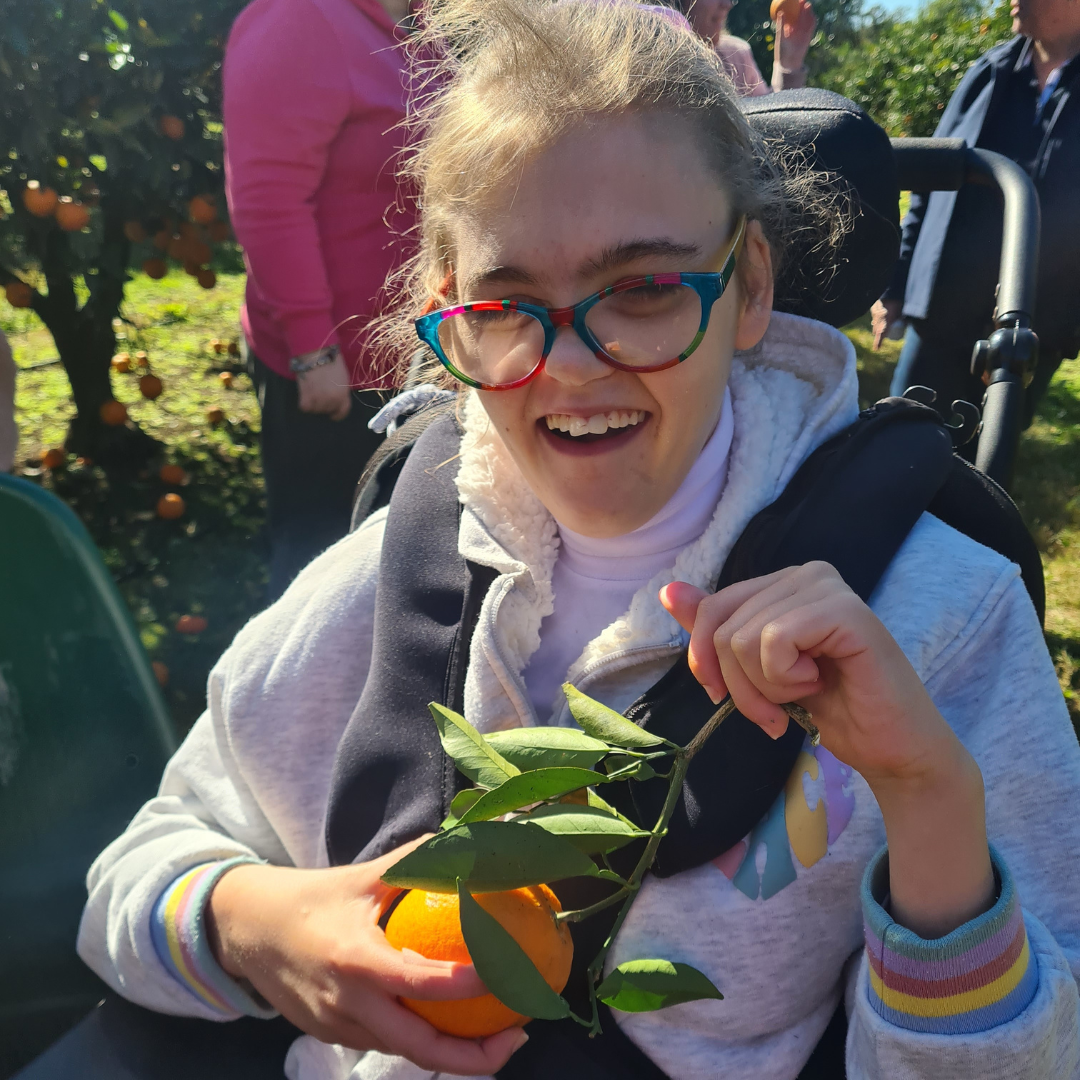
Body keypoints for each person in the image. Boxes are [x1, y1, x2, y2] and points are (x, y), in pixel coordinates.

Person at [78, 2, 1080, 1079]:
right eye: (508, 305)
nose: (570, 364)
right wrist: (257, 926)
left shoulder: (938, 615)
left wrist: (928, 794)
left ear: (748, 284)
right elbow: (133, 881)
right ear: (447, 308)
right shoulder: (377, 593)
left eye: (644, 290)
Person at [222, 0, 415, 602]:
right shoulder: (299, 19)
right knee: (321, 565)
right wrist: (312, 348)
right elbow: (268, 201)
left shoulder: (417, 23)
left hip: (408, 360)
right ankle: (291, 689)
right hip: (337, 370)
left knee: (391, 551)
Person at [873, 0, 1080, 426]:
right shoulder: (990, 72)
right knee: (902, 437)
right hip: (942, 313)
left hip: (1036, 328)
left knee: (985, 462)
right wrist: (896, 283)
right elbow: (930, 184)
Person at [677, 0, 817, 95]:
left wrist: (790, 63)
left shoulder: (736, 55)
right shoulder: (656, 66)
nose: (727, 4)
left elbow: (771, 124)